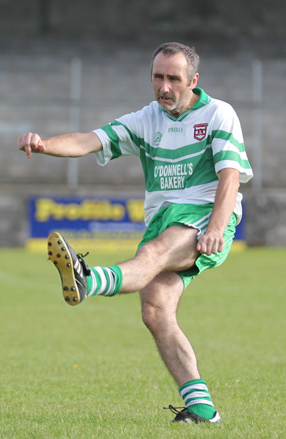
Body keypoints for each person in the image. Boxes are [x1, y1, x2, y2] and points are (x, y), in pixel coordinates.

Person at [18, 42, 253, 424]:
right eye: (157, 77)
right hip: (163, 219)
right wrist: (44, 145)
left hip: (206, 215)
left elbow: (230, 173)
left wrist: (214, 227)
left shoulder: (217, 113)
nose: (164, 87)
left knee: (154, 256)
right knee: (156, 310)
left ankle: (87, 279)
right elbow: (88, 139)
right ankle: (202, 408)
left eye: (173, 79)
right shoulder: (147, 119)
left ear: (193, 80)